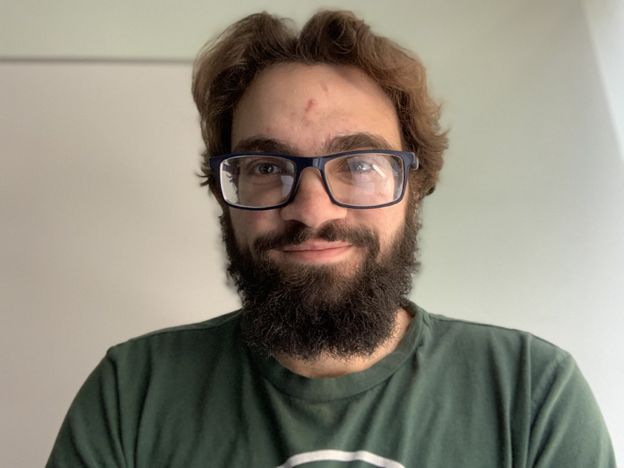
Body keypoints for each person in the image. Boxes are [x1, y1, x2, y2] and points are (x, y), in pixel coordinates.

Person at [47, 10, 615, 468]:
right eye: (266, 167)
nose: (312, 210)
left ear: (414, 188)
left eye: (359, 164)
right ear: (224, 192)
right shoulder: (132, 393)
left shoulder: (531, 395)